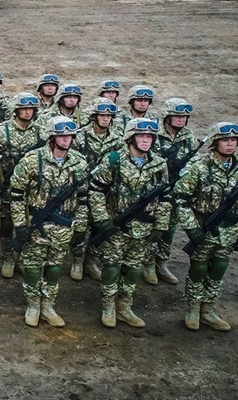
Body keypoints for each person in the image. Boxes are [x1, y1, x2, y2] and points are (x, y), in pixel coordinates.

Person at [89, 118, 170, 328]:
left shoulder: (159, 163)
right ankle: (108, 306)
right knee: (112, 267)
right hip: (116, 226)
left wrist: (161, 224)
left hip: (144, 227)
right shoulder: (113, 160)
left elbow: (165, 197)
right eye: (141, 136)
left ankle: (125, 305)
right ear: (131, 137)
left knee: (134, 268)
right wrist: (102, 219)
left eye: (149, 136)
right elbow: (96, 191)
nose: (146, 140)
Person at [10, 116, 89, 327]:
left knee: (55, 267)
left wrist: (81, 226)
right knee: (33, 267)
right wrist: (20, 224)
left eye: (69, 136)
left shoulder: (79, 162)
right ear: (51, 137)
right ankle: (33, 305)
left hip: (64, 225)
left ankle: (48, 305)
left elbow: (83, 198)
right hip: (36, 225)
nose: (66, 139)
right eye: (61, 135)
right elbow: (16, 194)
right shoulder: (32, 160)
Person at [174, 121, 238, 331]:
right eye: (225, 140)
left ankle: (209, 309)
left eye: (233, 140)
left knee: (219, 267)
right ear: (215, 142)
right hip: (203, 228)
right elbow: (181, 199)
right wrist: (191, 228)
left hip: (230, 230)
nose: (230, 144)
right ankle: (193, 308)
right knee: (199, 267)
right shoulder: (199, 167)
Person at [0, 92, 44, 278]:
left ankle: (22, 257)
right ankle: (8, 257)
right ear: (16, 110)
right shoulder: (0, 131)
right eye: (24, 108)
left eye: (31, 109)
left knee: (30, 221)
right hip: (7, 185)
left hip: (33, 187)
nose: (28, 112)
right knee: (7, 222)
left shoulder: (40, 131)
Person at [144, 97, 198, 286]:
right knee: (153, 227)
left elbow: (194, 162)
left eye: (184, 117)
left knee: (170, 227)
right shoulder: (153, 133)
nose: (181, 119)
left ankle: (161, 262)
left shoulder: (189, 136)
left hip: (176, 190)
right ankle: (148, 263)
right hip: (154, 189)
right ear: (167, 116)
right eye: (177, 116)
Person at [72, 98, 123, 281]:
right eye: (102, 115)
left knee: (100, 226)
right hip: (82, 189)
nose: (106, 119)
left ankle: (90, 260)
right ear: (94, 116)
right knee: (80, 226)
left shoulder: (118, 139)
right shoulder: (79, 136)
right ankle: (77, 260)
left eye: (109, 116)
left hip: (105, 192)